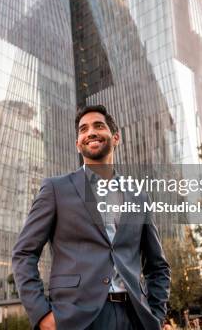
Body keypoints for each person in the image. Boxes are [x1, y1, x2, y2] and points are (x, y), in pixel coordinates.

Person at [12, 105, 171, 330]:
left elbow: (157, 266)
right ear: (78, 144)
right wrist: (42, 315)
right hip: (74, 318)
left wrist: (156, 315)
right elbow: (24, 253)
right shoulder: (55, 189)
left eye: (98, 126)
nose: (90, 132)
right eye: (83, 129)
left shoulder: (138, 196)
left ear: (115, 137)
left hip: (134, 317)